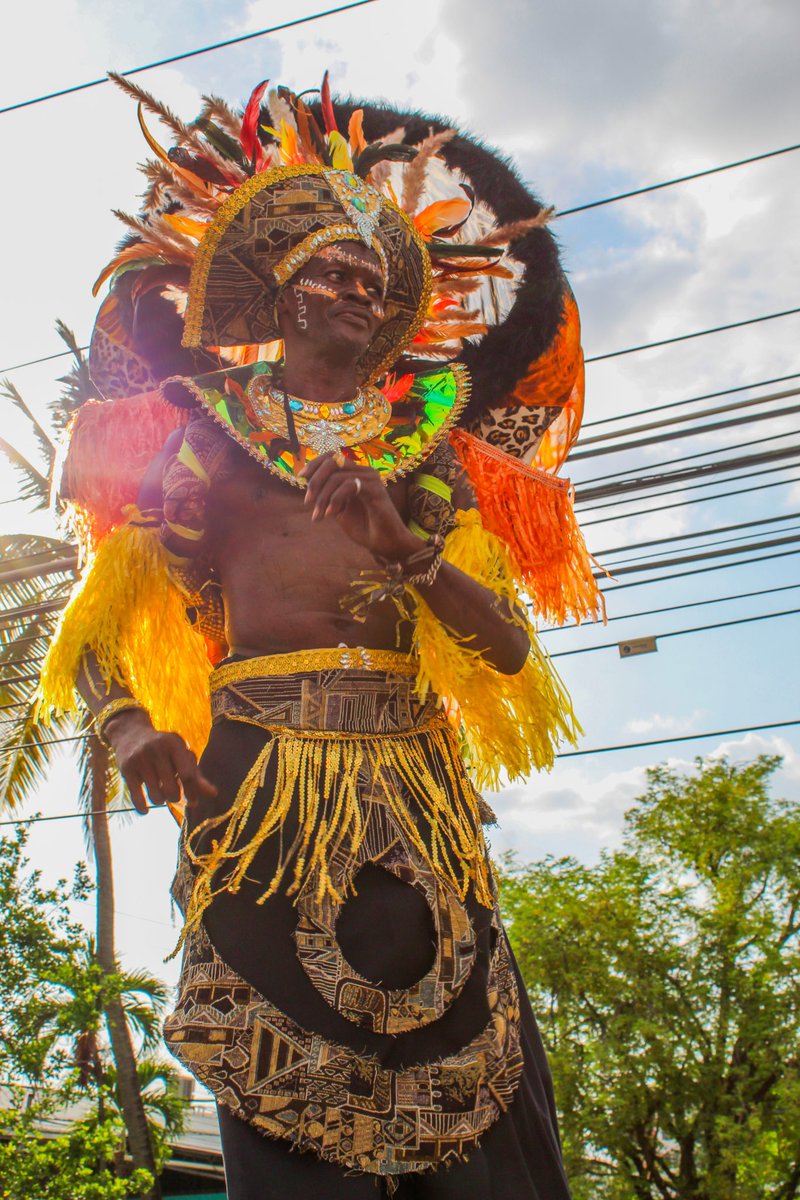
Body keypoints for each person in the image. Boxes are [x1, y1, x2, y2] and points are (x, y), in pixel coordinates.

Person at [41, 75, 601, 1198]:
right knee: (283, 1070)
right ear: (280, 298)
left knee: (469, 1060)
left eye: (373, 279)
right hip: (259, 783)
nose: (359, 291)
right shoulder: (206, 434)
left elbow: (505, 650)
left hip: (415, 783)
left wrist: (409, 552)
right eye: (333, 274)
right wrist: (130, 724)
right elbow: (95, 629)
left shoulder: (427, 439)